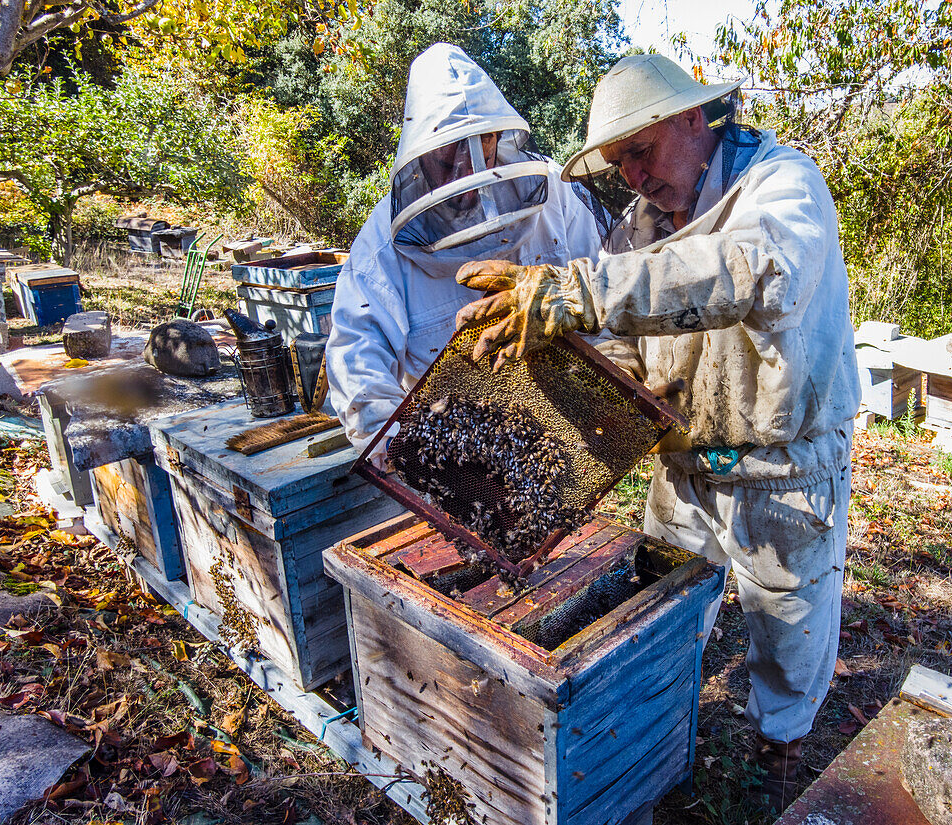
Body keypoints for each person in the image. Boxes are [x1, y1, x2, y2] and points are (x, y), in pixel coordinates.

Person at [454, 53, 860, 813]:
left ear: (692, 117)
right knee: (659, 615)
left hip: (785, 466)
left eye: (641, 151)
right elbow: (621, 346)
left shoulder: (783, 185)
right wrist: (581, 377)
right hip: (684, 467)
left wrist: (583, 291)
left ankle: (779, 752)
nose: (633, 177)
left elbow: (757, 270)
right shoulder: (632, 229)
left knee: (791, 628)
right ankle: (655, 742)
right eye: (619, 164)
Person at [325, 42, 605, 462]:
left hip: (564, 432)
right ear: (420, 152)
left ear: (500, 134)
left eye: (483, 142)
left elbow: (599, 288)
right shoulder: (381, 246)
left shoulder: (552, 194)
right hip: (460, 453)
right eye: (451, 149)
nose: (469, 169)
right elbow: (357, 363)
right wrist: (406, 455)